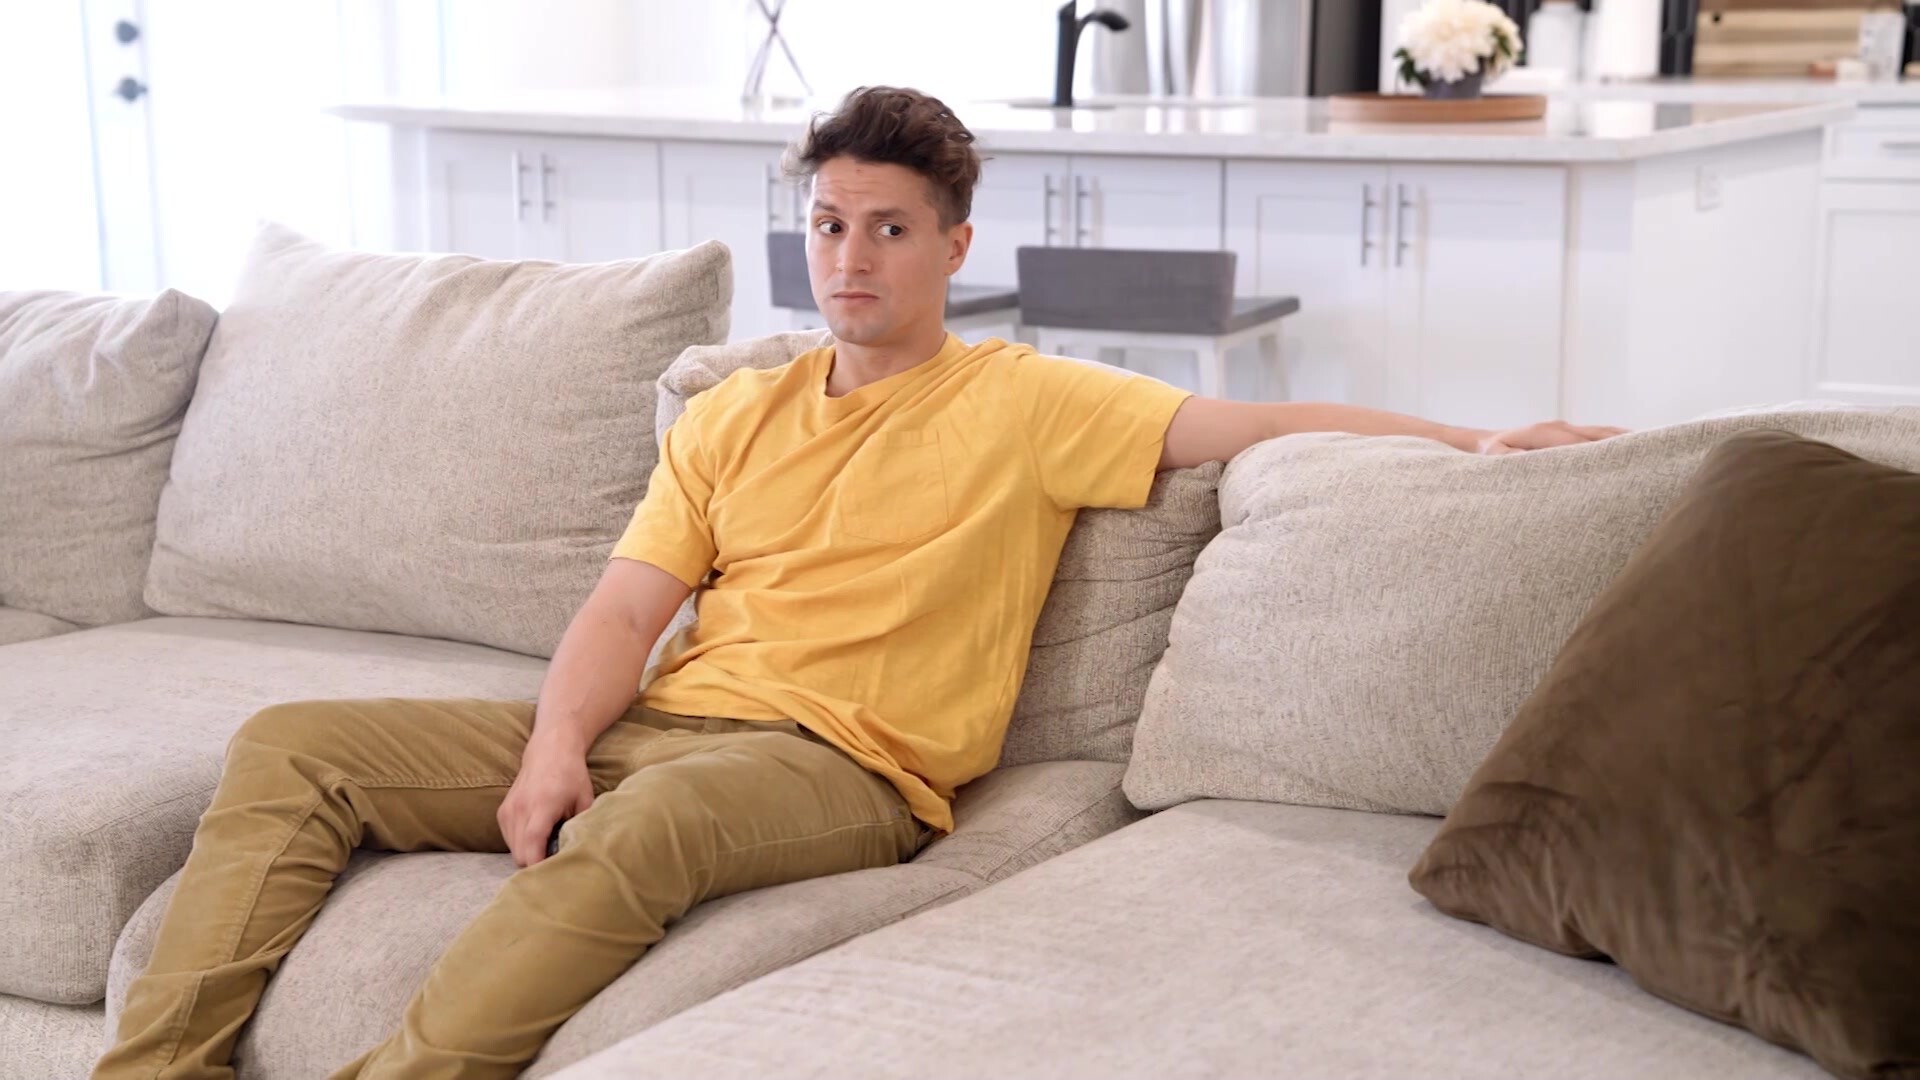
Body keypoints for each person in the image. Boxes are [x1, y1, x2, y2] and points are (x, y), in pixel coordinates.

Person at [95, 85, 1622, 1080]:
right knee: (293, 744)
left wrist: (1479, 437)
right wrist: (557, 741)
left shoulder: (1026, 401)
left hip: (846, 768)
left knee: (653, 823)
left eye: (890, 229)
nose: (852, 258)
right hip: (668, 724)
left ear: (954, 246)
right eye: (831, 226)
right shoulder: (732, 413)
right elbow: (625, 612)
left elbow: (1259, 422)